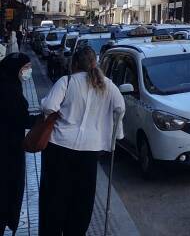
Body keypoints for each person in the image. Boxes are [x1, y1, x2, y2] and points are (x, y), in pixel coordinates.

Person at [39, 46, 124, 236]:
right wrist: (115, 136)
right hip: (90, 150)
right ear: (95, 63)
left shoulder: (67, 81)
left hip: (59, 146)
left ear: (75, 63)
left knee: (55, 196)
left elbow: (48, 106)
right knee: (82, 199)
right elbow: (120, 108)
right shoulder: (107, 84)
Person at [0, 53, 35, 235]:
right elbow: (21, 118)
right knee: (6, 192)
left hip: (8, 148)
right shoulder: (8, 90)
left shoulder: (9, 84)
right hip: (7, 152)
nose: (27, 72)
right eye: (25, 68)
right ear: (15, 69)